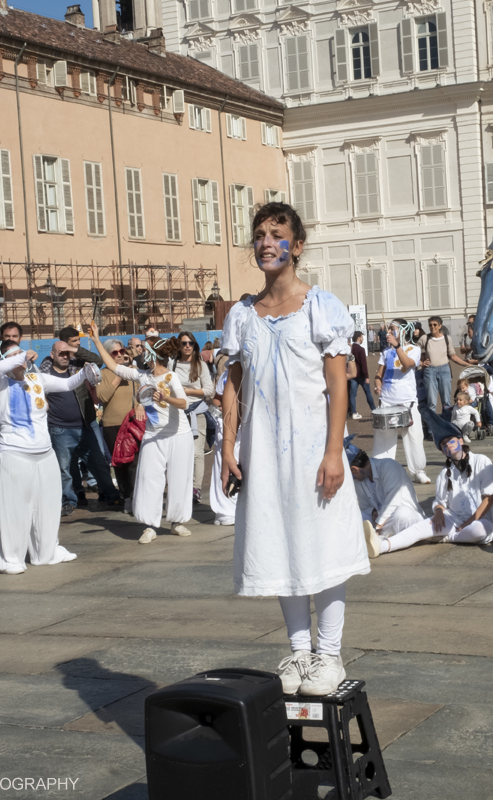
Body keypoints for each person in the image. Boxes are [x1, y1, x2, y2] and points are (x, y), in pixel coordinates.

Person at [218, 202, 369, 696]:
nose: (266, 242)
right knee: (277, 541)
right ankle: (299, 651)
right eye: (260, 234)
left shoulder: (321, 307)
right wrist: (227, 448)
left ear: (296, 246)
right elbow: (233, 384)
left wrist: (333, 452)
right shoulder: (242, 315)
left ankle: (329, 654)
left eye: (277, 234)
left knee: (321, 543)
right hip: (263, 450)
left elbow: (338, 386)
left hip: (312, 446)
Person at [0, 343, 94, 573]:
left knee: (48, 505)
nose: (19, 358)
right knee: (15, 508)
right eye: (13, 355)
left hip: (44, 452)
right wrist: (22, 355)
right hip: (14, 453)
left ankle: (46, 552)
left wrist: (85, 373)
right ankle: (10, 558)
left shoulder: (36, 379)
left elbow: (66, 384)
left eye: (20, 353)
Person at [89, 323, 194, 543]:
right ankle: (149, 526)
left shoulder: (171, 377)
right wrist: (97, 340)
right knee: (148, 479)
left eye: (145, 351)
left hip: (178, 435)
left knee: (178, 479)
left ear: (153, 355)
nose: (140, 353)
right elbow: (114, 367)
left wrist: (165, 398)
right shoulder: (142, 375)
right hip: (153, 436)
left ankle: (177, 522)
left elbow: (184, 403)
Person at [365, 412, 493, 557]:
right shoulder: (445, 473)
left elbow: (489, 499)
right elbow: (440, 502)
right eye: (443, 444)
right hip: (452, 518)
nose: (447, 445)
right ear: (442, 451)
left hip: (480, 520)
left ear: (461, 441)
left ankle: (449, 537)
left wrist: (467, 523)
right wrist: (439, 512)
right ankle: (381, 546)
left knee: (478, 531)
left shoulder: (481, 461)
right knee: (420, 528)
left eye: (450, 440)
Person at [43, 341, 120, 515]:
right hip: (59, 429)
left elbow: (97, 361)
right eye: (60, 353)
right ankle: (68, 501)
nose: (64, 356)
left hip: (84, 426)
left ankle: (111, 494)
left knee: (99, 463)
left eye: (66, 353)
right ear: (52, 354)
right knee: (64, 469)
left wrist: (73, 350)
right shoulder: (44, 374)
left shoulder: (77, 367)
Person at [373, 319, 429, 484]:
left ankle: (418, 471)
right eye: (389, 329)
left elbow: (408, 363)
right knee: (384, 436)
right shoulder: (385, 352)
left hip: (407, 400)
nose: (389, 332)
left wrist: (397, 346)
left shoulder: (414, 349)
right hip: (387, 399)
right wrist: (378, 386)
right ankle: (382, 470)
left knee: (414, 436)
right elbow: (378, 375)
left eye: (393, 329)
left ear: (404, 331)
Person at [347, 440, 424, 546]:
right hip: (380, 522)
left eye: (353, 475)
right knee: (353, 514)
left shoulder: (389, 466)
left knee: (402, 513)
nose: (354, 479)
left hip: (401, 518)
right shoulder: (359, 480)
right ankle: (381, 538)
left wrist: (378, 525)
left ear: (354, 469)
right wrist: (372, 511)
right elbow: (364, 506)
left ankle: (378, 541)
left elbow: (394, 501)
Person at [97, 339, 139, 514]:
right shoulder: (102, 374)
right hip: (113, 424)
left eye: (122, 351)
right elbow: (102, 397)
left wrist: (140, 407)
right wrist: (118, 377)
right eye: (115, 353)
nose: (120, 354)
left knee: (135, 463)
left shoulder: (134, 372)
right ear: (108, 354)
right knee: (120, 464)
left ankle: (137, 497)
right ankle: (126, 497)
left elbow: (141, 394)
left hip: (132, 423)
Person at [175, 332, 216, 503]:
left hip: (196, 412)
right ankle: (180, 487)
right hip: (177, 413)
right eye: (184, 343)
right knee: (179, 453)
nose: (187, 346)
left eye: (190, 343)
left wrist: (188, 391)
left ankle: (195, 489)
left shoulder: (200, 365)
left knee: (197, 452)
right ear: (179, 345)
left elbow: (209, 390)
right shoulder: (172, 364)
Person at [419, 316, 471, 414]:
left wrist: (465, 364)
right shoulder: (425, 338)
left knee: (446, 402)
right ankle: (432, 428)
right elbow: (413, 352)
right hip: (429, 371)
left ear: (440, 326)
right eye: (430, 325)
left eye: (435, 325)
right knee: (431, 403)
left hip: (444, 370)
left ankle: (446, 426)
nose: (432, 327)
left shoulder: (447, 339)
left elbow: (453, 356)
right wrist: (421, 363)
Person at [208, 365, 237, 525]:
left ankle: (238, 507)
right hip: (225, 426)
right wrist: (220, 408)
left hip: (245, 425)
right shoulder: (226, 375)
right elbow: (217, 398)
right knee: (222, 463)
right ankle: (224, 508)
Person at [348, 331, 375, 420]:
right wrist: (366, 376)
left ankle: (354, 412)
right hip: (362, 375)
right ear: (359, 337)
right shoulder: (361, 349)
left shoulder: (350, 348)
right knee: (368, 393)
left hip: (352, 375)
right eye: (362, 337)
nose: (363, 338)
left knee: (353, 394)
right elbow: (363, 364)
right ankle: (374, 410)